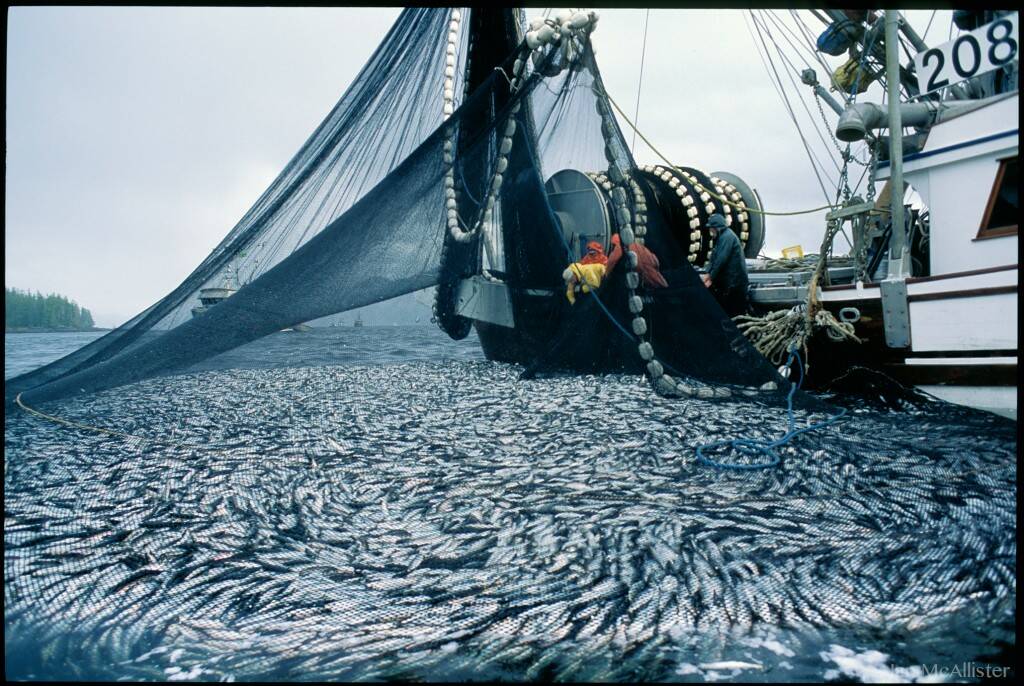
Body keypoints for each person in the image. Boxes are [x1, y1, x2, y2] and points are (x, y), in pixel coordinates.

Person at [701, 213, 749, 317]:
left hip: (735, 285)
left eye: (711, 229)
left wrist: (711, 278)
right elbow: (714, 257)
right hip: (729, 284)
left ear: (717, 228)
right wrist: (707, 273)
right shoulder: (721, 237)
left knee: (733, 315)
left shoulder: (727, 237)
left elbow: (721, 260)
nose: (710, 231)